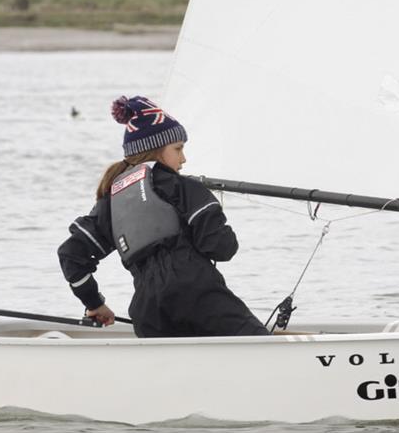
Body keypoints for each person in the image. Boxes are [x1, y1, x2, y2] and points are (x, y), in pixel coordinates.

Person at [57, 95, 269, 337]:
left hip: (148, 311)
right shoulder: (185, 189)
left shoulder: (111, 200)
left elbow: (71, 255)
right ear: (155, 151)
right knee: (267, 351)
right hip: (200, 297)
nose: (184, 159)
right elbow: (222, 248)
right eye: (178, 149)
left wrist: (94, 303)